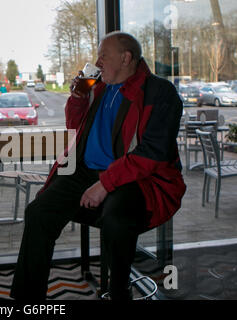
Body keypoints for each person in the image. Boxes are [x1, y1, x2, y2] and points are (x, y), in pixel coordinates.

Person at [10, 31, 186, 300]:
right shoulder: (99, 88)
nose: (97, 61)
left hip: (135, 180)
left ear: (126, 58)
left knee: (116, 221)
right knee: (38, 213)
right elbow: (74, 127)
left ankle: (118, 291)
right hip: (85, 174)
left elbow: (154, 152)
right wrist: (79, 98)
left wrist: (105, 184)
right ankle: (27, 300)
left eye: (104, 54)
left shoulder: (160, 92)